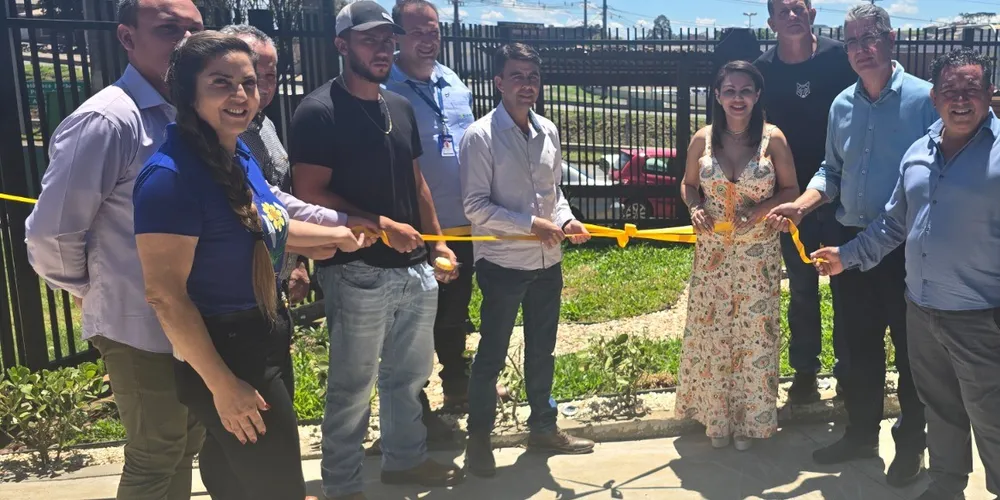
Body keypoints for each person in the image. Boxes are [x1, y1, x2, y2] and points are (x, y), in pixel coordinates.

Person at [133, 31, 366, 499]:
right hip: (227, 352)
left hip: (263, 334)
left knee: (236, 483)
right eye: (221, 83)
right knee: (278, 487)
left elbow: (262, 226)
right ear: (188, 91)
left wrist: (336, 236)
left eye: (249, 82)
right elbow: (165, 295)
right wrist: (222, 385)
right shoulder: (170, 177)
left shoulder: (236, 151)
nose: (240, 95)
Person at [23, 1, 206, 497]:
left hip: (192, 319)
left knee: (186, 440)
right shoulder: (108, 120)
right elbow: (50, 234)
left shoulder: (190, 114)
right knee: (157, 451)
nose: (186, 42)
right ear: (127, 38)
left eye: (195, 30)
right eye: (169, 30)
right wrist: (95, 289)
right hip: (137, 324)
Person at [288, 2, 464, 498]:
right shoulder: (319, 111)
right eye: (370, 40)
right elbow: (309, 193)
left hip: (413, 267)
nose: (383, 49)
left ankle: (404, 463)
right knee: (351, 388)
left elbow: (417, 181)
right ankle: (343, 486)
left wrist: (438, 242)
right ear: (342, 45)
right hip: (355, 269)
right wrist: (383, 226)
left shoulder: (399, 106)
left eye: (387, 40)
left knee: (408, 378)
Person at [813, 48, 1000, 500]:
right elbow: (894, 223)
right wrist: (847, 256)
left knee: (992, 416)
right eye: (950, 91)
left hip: (981, 316)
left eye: (971, 90)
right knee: (941, 410)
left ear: (990, 95)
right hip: (922, 310)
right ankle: (945, 486)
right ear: (934, 98)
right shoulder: (919, 151)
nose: (960, 100)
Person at [767, 4, 934, 485]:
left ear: (891, 40)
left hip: (904, 249)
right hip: (848, 244)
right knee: (855, 348)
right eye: (853, 41)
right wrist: (802, 205)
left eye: (868, 38)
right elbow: (830, 171)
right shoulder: (841, 104)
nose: (860, 50)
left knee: (910, 355)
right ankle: (861, 435)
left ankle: (911, 445)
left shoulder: (925, 101)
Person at [459, 42, 595, 478]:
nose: (526, 85)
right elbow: (475, 207)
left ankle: (543, 427)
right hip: (501, 265)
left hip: (546, 264)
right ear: (498, 82)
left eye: (532, 77)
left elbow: (554, 196)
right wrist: (531, 223)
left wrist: (567, 220)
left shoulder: (548, 130)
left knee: (543, 351)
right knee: (492, 354)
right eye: (516, 76)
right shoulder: (480, 136)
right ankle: (478, 441)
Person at [674, 60, 799, 452]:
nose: (737, 98)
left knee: (753, 338)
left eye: (745, 90)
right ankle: (717, 418)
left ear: (757, 95)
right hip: (712, 256)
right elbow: (688, 185)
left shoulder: (772, 139)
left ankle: (750, 422)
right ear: (717, 94)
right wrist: (694, 208)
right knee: (712, 336)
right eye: (729, 90)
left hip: (757, 257)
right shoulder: (703, 139)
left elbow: (791, 189)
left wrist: (761, 211)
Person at [754, 0, 857, 403]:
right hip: (789, 199)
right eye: (783, 10)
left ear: (812, 14)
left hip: (840, 195)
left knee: (846, 285)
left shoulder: (839, 58)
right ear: (772, 21)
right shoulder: (762, 70)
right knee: (801, 289)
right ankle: (805, 373)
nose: (792, 15)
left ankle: (849, 371)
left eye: (799, 7)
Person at [385, 0, 478, 440]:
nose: (428, 39)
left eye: (434, 30)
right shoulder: (386, 87)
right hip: (416, 229)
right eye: (417, 31)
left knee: (456, 313)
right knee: (415, 322)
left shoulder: (455, 83)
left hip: (463, 224)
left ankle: (457, 385)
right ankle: (414, 409)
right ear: (397, 36)